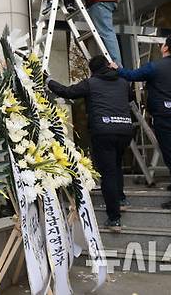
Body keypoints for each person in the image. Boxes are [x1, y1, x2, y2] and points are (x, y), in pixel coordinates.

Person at [48, 55, 133, 231]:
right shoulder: (123, 82)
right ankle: (121, 198)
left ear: (92, 70)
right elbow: (131, 97)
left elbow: (67, 92)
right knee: (116, 166)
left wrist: (48, 81)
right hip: (125, 129)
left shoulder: (91, 83)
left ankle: (114, 217)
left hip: (104, 130)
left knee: (108, 172)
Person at [112, 34, 171, 209]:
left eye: (163, 43)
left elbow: (131, 75)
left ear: (165, 48)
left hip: (164, 116)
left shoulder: (156, 67)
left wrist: (116, 68)